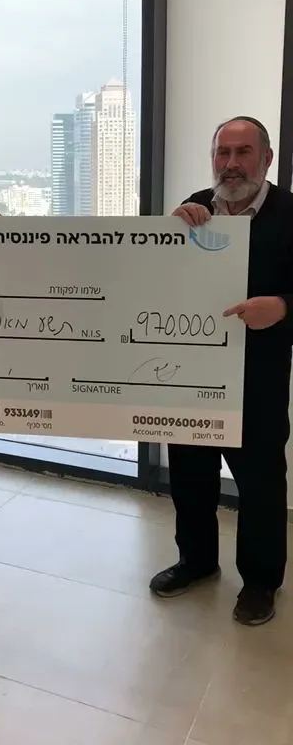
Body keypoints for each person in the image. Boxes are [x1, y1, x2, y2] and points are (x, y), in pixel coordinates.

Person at [149, 116, 293, 626]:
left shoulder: (289, 214)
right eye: (222, 153)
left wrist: (282, 307)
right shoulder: (196, 207)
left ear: (266, 159)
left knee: (260, 486)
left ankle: (260, 582)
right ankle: (196, 561)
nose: (231, 164)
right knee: (190, 476)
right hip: (193, 373)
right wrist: (168, 234)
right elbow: (161, 280)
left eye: (243, 152)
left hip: (258, 382)